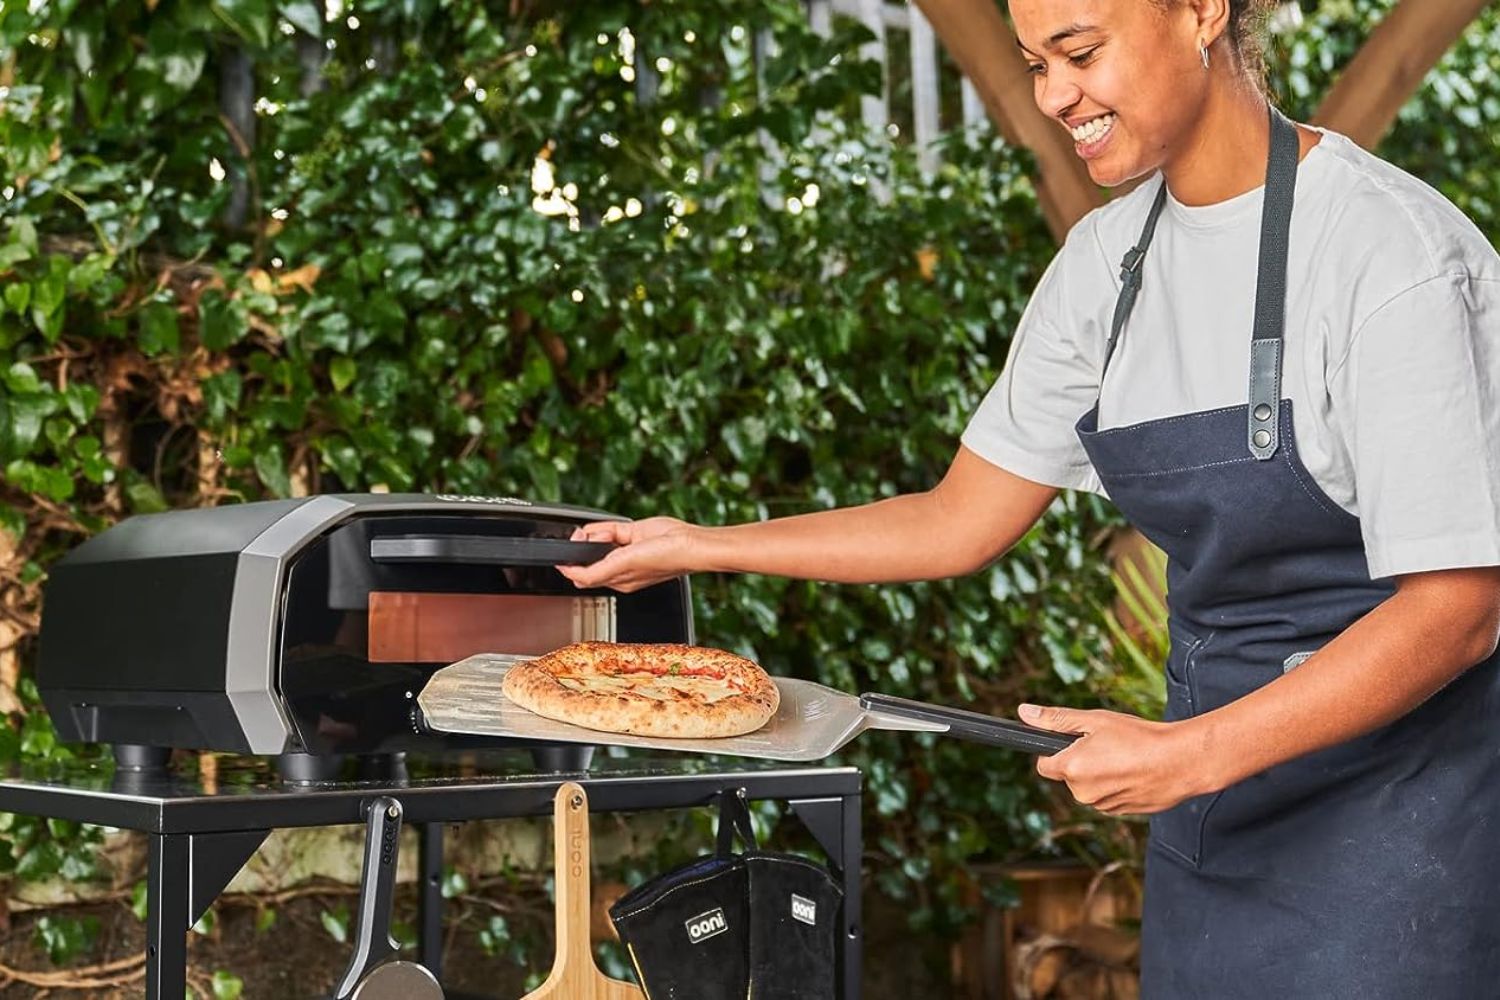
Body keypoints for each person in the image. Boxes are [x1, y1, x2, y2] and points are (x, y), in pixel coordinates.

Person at [559, 0, 1500, 995]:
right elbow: (958, 516)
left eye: (1081, 53)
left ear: (1202, 13)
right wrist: (698, 544)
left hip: (1407, 836)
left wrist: (1195, 754)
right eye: (1035, 62)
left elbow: (1459, 611)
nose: (1053, 96)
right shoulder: (1106, 270)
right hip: (1216, 835)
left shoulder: (1389, 256)